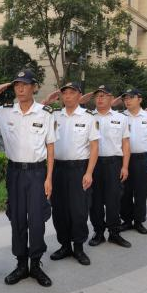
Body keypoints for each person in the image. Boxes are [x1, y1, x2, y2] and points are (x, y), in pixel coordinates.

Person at [0, 69, 55, 287]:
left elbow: (51, 148)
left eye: (25, 84)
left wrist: (49, 178)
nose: (20, 89)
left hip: (37, 173)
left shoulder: (45, 113)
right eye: (17, 85)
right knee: (17, 218)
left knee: (37, 220)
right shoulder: (4, 112)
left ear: (34, 87)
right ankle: (21, 264)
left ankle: (36, 264)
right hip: (15, 173)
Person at [49, 82, 100, 266]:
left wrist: (89, 172)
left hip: (79, 169)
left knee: (79, 210)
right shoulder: (54, 115)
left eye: (72, 92)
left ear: (80, 95)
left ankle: (78, 247)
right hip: (58, 169)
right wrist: (48, 100)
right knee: (59, 210)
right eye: (65, 93)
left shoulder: (88, 117)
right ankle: (65, 246)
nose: (68, 96)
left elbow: (94, 147)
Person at [88, 85, 132, 248]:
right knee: (95, 201)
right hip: (93, 164)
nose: (100, 99)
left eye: (104, 95)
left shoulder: (121, 118)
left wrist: (125, 166)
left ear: (111, 98)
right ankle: (98, 232)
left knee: (114, 200)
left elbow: (125, 143)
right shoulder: (88, 117)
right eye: (97, 96)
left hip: (114, 164)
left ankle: (114, 233)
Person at [119, 88, 147, 235]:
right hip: (124, 160)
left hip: (142, 159)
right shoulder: (121, 117)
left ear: (139, 99)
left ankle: (139, 221)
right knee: (125, 192)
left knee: (141, 191)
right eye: (125, 98)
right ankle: (127, 220)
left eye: (131, 97)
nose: (127, 100)